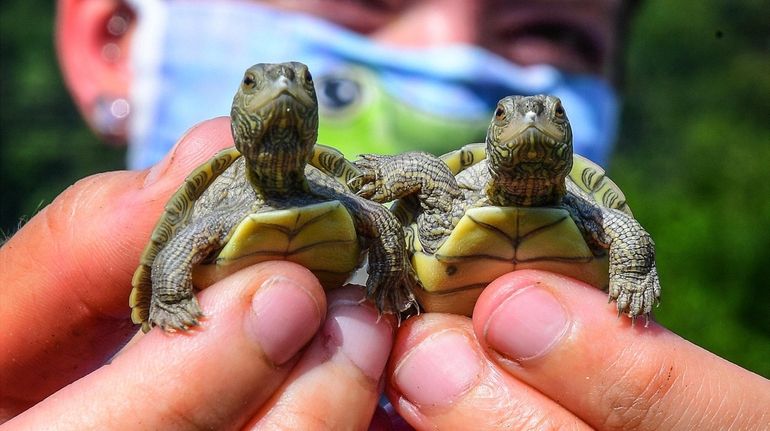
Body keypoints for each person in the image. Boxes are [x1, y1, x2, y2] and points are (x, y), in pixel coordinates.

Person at [2, 0, 768, 429]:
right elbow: (406, 193)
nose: (451, 50)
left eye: (549, 32)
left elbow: (623, 235)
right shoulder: (232, 199)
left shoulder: (566, 210)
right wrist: (168, 294)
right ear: (108, 34)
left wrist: (633, 268)